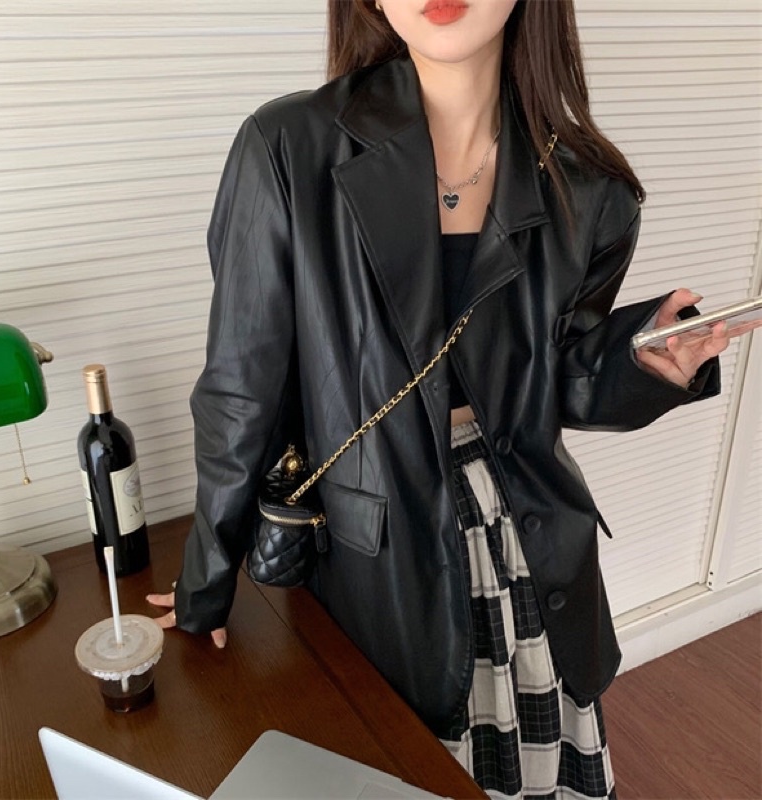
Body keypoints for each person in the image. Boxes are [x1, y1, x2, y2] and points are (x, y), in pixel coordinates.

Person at [148, 1, 726, 796]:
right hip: (372, 552)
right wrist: (206, 581)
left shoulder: (590, 185)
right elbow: (239, 390)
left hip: (523, 538)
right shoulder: (288, 147)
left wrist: (647, 363)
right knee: (393, 771)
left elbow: (551, 382)